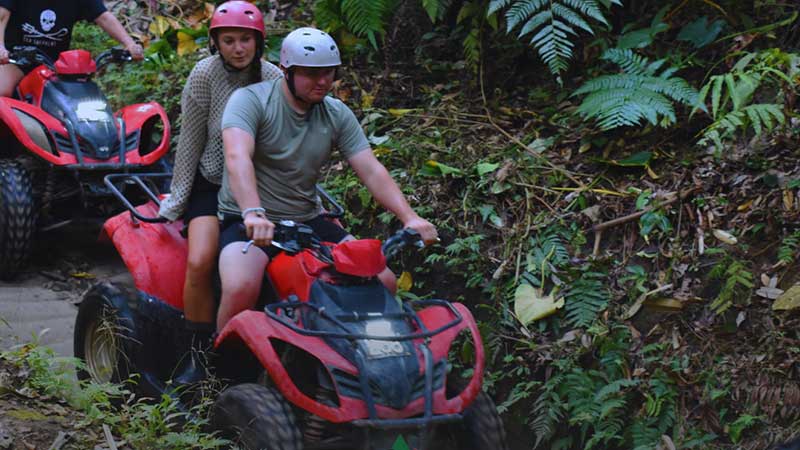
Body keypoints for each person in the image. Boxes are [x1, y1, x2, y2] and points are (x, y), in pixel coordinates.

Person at [216, 26, 438, 332]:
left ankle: (364, 364)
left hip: (307, 219)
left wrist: (409, 217)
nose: (322, 82)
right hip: (250, 221)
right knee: (240, 283)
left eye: (329, 73)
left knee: (383, 280)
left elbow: (370, 169)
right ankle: (219, 366)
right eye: (310, 73)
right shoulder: (251, 101)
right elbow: (237, 156)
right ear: (286, 71)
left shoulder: (336, 113)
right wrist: (253, 212)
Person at [157, 1, 282, 387]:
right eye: (228, 40)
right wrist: (177, 198)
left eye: (246, 39)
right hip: (211, 182)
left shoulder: (275, 77)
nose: (238, 48)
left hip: (259, 187)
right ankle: (200, 355)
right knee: (200, 259)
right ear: (215, 42)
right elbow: (191, 140)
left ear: (259, 42)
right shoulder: (204, 75)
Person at [0, 0, 144, 97]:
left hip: (56, 66)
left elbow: (103, 17)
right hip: (14, 60)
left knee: (82, 100)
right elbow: (2, 16)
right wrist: (1, 48)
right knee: (3, 90)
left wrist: (129, 44)